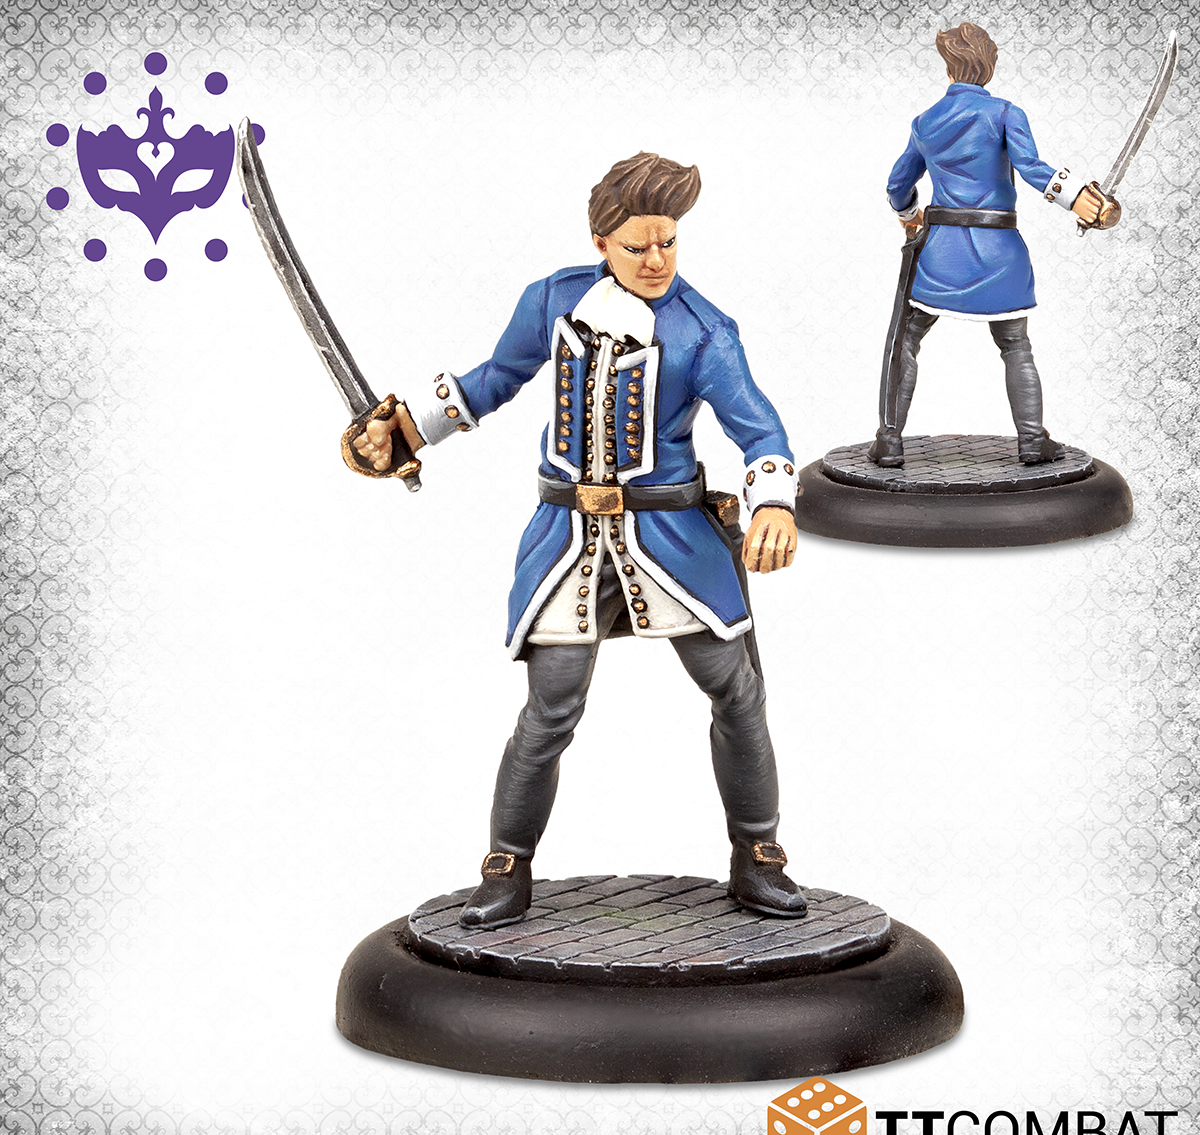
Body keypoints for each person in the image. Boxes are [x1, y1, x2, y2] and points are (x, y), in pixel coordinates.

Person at [352, 152, 807, 929]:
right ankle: (506, 863)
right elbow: (493, 379)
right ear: (602, 242)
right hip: (566, 540)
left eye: (668, 242)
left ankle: (758, 853)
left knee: (735, 690)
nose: (657, 259)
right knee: (551, 707)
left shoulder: (705, 332)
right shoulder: (553, 301)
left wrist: (775, 506)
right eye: (638, 246)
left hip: (672, 539)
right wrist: (406, 433)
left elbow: (759, 429)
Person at [870, 21, 1107, 468]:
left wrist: (909, 215)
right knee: (1016, 345)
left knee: (907, 339)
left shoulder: (925, 122)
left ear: (949, 68)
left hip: (942, 256)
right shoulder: (1005, 113)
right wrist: (1079, 198)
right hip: (1000, 255)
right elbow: (1033, 168)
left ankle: (889, 440)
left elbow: (898, 184)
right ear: (988, 66)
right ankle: (1032, 441)